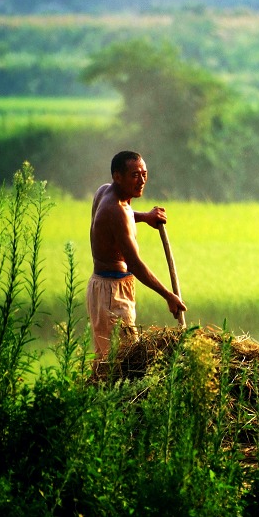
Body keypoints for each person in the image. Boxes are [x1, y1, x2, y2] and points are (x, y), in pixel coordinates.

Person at [87, 150, 187, 361]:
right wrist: (168, 296)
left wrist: (145, 217)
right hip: (111, 294)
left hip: (104, 287)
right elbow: (134, 263)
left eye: (144, 174)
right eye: (134, 175)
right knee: (120, 362)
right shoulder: (117, 210)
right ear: (117, 176)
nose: (141, 180)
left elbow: (118, 218)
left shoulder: (105, 192)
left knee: (109, 359)